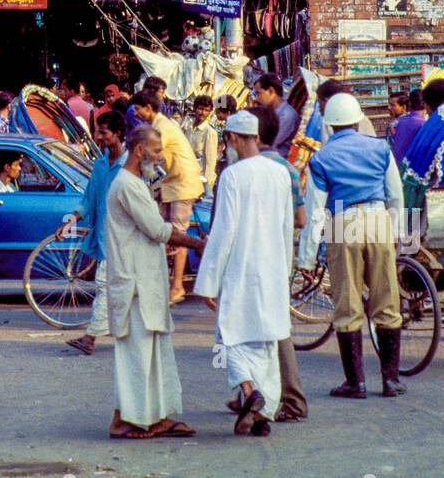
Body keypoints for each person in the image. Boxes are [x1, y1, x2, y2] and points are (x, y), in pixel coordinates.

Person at [298, 92, 405, 400]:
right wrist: (395, 233)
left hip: (342, 223)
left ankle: (355, 383)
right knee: (387, 299)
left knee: (348, 303)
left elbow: (316, 211)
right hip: (377, 220)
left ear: (329, 125)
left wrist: (306, 259)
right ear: (358, 121)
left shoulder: (320, 159)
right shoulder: (380, 148)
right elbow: (394, 194)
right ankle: (391, 380)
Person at [194, 111, 294, 437]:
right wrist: (286, 270)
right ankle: (263, 414)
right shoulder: (279, 174)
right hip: (272, 267)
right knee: (265, 341)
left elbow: (223, 232)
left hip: (240, 267)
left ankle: (250, 390)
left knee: (229, 335)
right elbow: (287, 227)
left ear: (234, 139)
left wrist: (208, 281)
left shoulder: (233, 177)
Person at [104, 125, 197, 439]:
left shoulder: (134, 183)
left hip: (143, 281)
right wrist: (198, 244)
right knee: (138, 354)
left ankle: (152, 416)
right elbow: (158, 230)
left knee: (151, 353)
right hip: (135, 285)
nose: (160, 157)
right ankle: (128, 419)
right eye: (157, 151)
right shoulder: (127, 185)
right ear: (140, 149)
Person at [254, 106, 308, 423]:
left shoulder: (245, 168)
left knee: (269, 327)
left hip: (259, 257)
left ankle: (289, 398)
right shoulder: (286, 169)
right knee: (273, 323)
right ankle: (252, 392)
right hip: (280, 255)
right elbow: (300, 217)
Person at [62, 110, 128, 356]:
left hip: (123, 239)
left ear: (118, 134)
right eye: (98, 132)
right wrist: (72, 220)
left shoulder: (130, 166)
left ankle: (90, 338)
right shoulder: (101, 164)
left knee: (105, 287)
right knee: (112, 289)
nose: (99, 137)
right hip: (105, 238)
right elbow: (89, 199)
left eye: (104, 133)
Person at [129, 89, 203, 305]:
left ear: (148, 108)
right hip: (169, 184)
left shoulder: (163, 127)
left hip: (182, 184)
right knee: (158, 230)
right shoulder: (155, 126)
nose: (136, 113)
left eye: (138, 108)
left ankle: (177, 286)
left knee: (177, 234)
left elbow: (150, 155)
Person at [253, 73, 299, 158]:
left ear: (271, 91)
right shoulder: (270, 112)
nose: (256, 98)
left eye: (258, 93)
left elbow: (270, 142)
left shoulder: (287, 115)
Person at [182, 95, 218, 198]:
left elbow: (210, 162)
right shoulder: (187, 126)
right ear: (195, 108)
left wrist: (206, 185)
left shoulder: (210, 132)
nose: (202, 113)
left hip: (198, 180)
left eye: (206, 110)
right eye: (200, 109)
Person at [389, 89, 426, 166]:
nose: (389, 107)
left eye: (392, 105)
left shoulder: (399, 122)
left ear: (409, 104)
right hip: (409, 168)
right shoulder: (424, 124)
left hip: (395, 165)